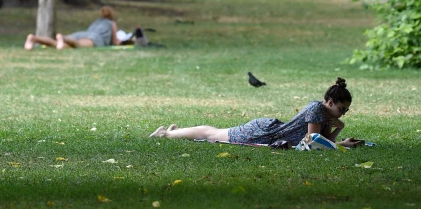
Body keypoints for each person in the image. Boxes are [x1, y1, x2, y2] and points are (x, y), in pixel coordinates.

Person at [150, 77, 365, 148]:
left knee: (214, 131)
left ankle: (177, 131)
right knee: (212, 135)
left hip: (271, 130)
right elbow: (312, 141)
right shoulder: (316, 110)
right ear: (329, 102)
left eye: (345, 110)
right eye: (341, 109)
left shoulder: (325, 114)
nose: (343, 113)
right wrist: (340, 143)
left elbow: (324, 143)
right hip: (264, 132)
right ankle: (166, 134)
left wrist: (339, 133)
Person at [24, 6, 122, 50]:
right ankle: (62, 38)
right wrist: (120, 42)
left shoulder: (97, 22)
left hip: (83, 33)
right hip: (95, 38)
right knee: (78, 45)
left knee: (58, 44)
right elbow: (114, 42)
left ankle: (34, 38)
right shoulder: (111, 23)